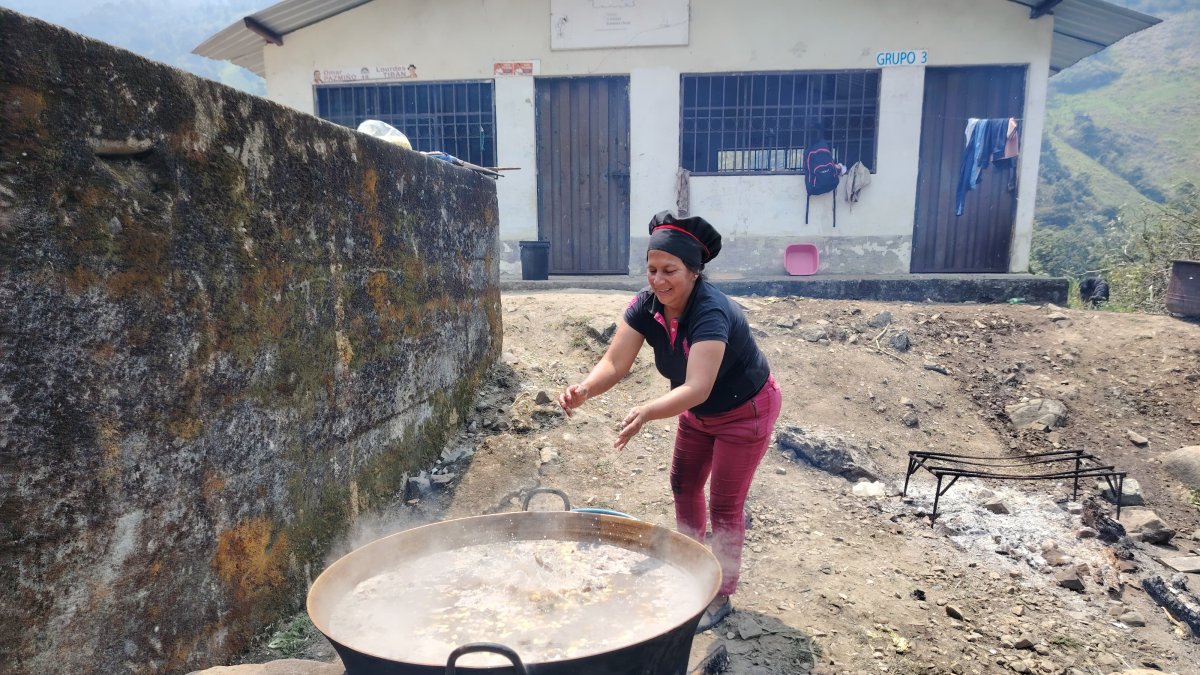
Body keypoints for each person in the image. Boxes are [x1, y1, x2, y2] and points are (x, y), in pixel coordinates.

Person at [558, 210, 783, 633]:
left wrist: (647, 411)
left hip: (745, 412)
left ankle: (720, 594)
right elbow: (615, 362)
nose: (658, 281)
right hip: (698, 412)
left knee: (724, 504)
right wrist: (585, 388)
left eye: (669, 271)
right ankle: (690, 570)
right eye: (652, 270)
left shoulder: (711, 312)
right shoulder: (647, 305)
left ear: (694, 272)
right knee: (683, 485)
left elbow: (697, 386)